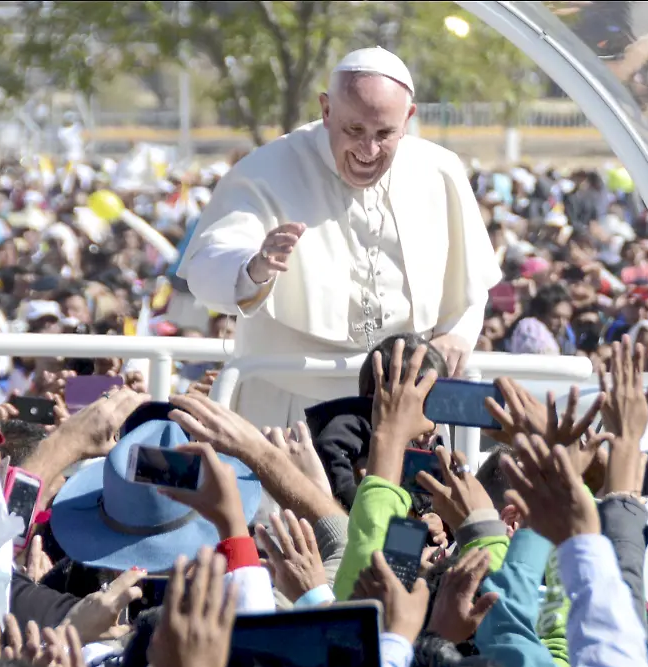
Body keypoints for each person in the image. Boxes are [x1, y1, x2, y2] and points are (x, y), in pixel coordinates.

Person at [176, 46, 500, 427]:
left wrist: (457, 337)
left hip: (399, 406)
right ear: (327, 110)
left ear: (408, 118)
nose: (369, 149)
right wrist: (254, 268)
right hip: (286, 405)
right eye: (354, 130)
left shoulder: (439, 170)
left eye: (385, 134)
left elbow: (470, 285)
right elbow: (207, 265)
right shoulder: (266, 170)